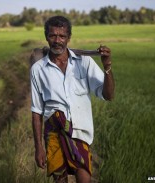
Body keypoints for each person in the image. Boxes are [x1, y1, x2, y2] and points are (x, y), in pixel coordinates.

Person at [30, 16, 115, 183]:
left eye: (62, 36)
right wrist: (38, 147)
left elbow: (109, 95)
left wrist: (107, 66)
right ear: (47, 36)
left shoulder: (84, 62)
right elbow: (36, 112)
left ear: (68, 38)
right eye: (53, 35)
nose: (57, 40)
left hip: (80, 131)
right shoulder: (38, 70)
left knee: (84, 177)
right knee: (59, 180)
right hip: (54, 131)